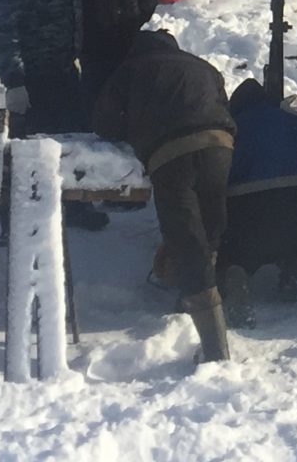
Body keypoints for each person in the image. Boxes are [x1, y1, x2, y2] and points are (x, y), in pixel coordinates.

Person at [93, 28, 237, 362]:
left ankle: (215, 349)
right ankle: (202, 292)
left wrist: (137, 125)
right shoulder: (202, 66)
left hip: (171, 155)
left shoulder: (130, 70)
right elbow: (224, 105)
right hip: (219, 147)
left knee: (185, 236)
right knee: (210, 226)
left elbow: (104, 122)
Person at [0, 0, 110, 232]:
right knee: (31, 150)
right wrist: (14, 81)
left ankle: (75, 205)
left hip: (64, 69)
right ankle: (18, 219)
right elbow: (2, 28)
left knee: (74, 141)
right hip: (33, 75)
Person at [221, 77, 297, 311]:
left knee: (234, 243)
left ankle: (238, 270)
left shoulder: (233, 132)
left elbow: (221, 180)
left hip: (252, 213)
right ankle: (292, 269)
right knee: (295, 237)